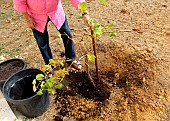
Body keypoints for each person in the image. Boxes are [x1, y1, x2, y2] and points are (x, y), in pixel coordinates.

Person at [13, 0, 90, 70]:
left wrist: (84, 12)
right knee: (42, 42)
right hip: (35, 16)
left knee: (67, 35)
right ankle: (49, 66)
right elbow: (19, 2)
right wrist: (27, 18)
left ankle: (71, 59)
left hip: (56, 12)